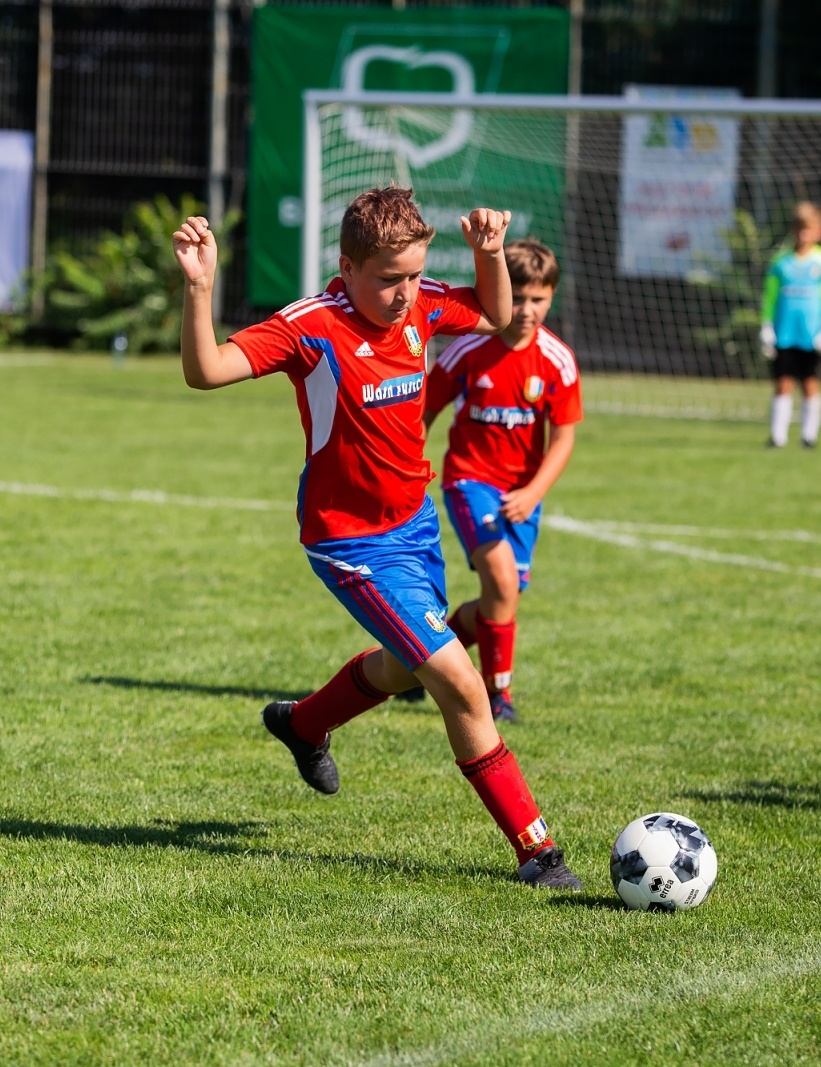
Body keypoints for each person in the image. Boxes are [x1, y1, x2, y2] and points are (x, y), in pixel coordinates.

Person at [174, 187, 582, 889]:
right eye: (388, 279)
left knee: (403, 669)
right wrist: (201, 288)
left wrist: (489, 254)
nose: (405, 294)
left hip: (414, 523)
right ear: (347, 266)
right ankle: (538, 852)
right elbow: (205, 371)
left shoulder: (422, 307)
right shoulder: (310, 327)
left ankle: (302, 724)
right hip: (351, 542)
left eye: (415, 275)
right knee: (458, 680)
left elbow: (492, 308)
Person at [423, 238, 581, 724]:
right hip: (469, 480)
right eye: (517, 297)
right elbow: (423, 410)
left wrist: (534, 492)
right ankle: (498, 697)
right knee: (501, 580)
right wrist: (409, 470)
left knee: (501, 597)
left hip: (522, 495)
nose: (526, 309)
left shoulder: (556, 360)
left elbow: (563, 440)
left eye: (538, 299)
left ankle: (420, 664)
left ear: (551, 298)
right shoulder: (469, 348)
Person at [761, 201, 821, 449]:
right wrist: (766, 326)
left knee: (809, 381)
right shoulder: (781, 262)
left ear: (820, 231)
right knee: (783, 382)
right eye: (799, 228)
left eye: (808, 228)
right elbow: (770, 298)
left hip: (811, 334)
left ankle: (809, 436)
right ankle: (778, 436)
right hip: (785, 333)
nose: (803, 234)